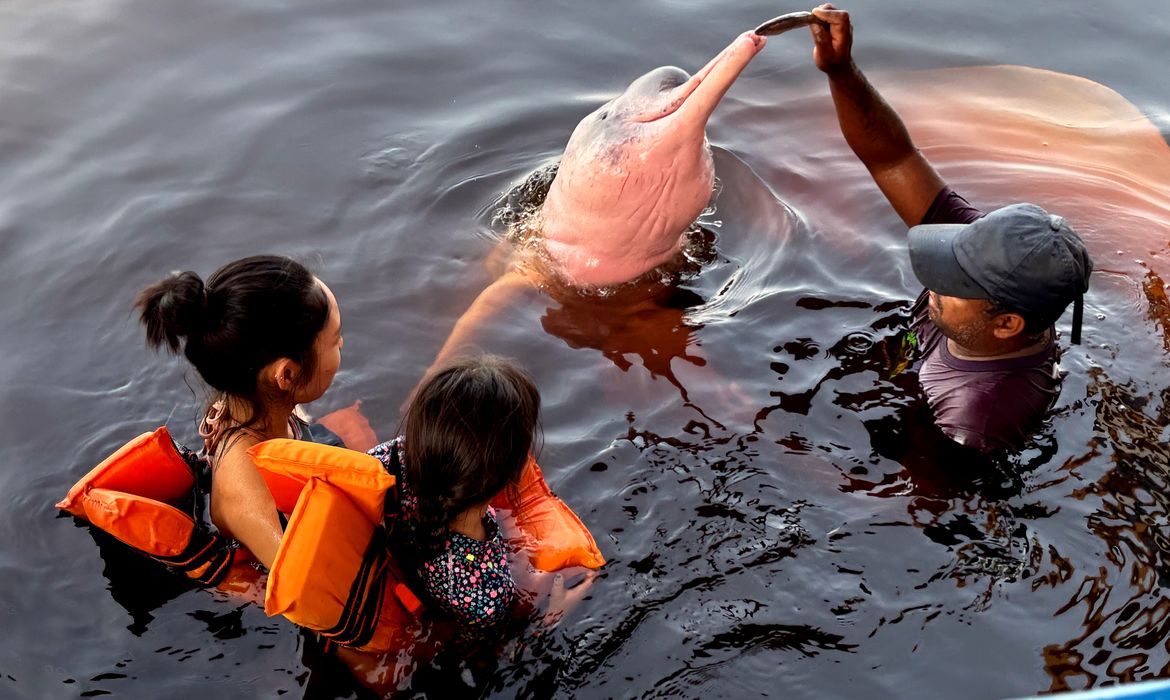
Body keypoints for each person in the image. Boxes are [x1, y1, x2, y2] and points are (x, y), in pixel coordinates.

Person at [807, 4, 1094, 454]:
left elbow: (918, 493)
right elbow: (894, 158)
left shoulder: (977, 421)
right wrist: (841, 71)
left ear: (1006, 324)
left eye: (954, 281)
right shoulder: (986, 256)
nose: (933, 276)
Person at [136, 254, 344, 569]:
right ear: (287, 375)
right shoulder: (254, 501)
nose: (343, 343)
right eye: (335, 339)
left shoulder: (244, 401)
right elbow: (312, 577)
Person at [367, 354, 541, 637]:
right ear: (511, 473)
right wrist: (557, 608)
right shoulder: (487, 595)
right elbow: (494, 643)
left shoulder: (387, 460)